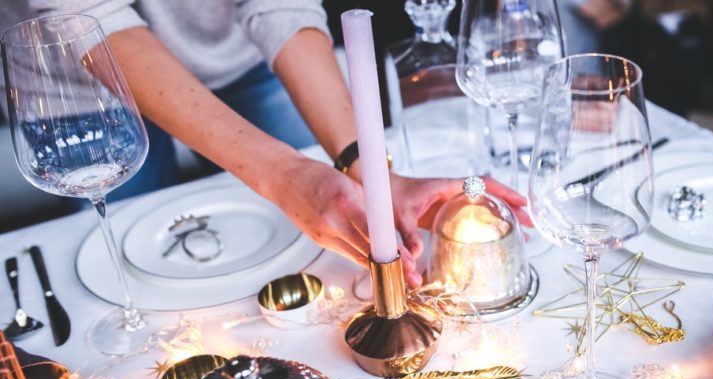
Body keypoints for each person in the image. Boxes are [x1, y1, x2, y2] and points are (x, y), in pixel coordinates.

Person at [0, 1, 529, 287]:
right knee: (122, 269)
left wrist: (367, 168)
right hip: (72, 82)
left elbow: (280, 6)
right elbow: (91, 16)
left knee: (315, 240)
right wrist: (285, 174)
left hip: (241, 55)